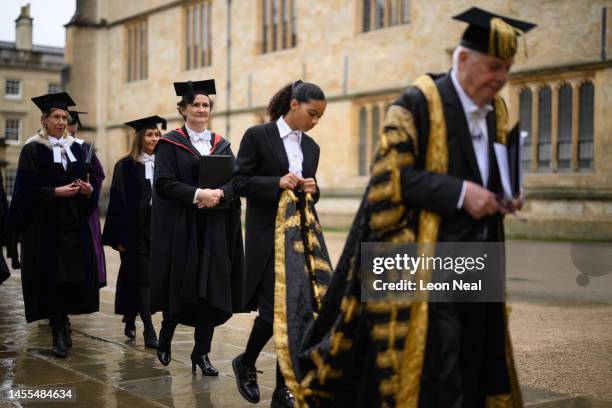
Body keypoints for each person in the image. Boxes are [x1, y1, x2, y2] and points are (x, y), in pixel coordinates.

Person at [274, 7, 535, 408]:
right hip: (424, 260)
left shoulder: (497, 111)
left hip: (478, 257)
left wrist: (505, 194)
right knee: (435, 367)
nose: (502, 79)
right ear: (463, 60)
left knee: (475, 359)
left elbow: (494, 172)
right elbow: (390, 178)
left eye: (508, 69)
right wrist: (462, 193)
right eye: (495, 67)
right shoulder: (417, 103)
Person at [231, 80, 327, 408]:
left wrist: (314, 189)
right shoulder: (258, 136)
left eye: (320, 117)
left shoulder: (311, 147)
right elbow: (239, 182)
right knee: (274, 312)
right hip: (266, 238)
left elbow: (308, 196)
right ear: (294, 105)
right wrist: (276, 182)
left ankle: (283, 389)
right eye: (312, 114)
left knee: (296, 311)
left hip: (299, 239)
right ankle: (246, 361)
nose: (315, 121)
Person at [150, 79, 245, 376]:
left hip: (216, 227)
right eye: (196, 105)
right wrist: (196, 195)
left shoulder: (222, 144)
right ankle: (165, 337)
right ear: (183, 109)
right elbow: (164, 183)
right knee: (182, 288)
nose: (202, 109)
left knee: (212, 292)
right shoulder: (170, 144)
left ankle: (201, 353)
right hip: (184, 228)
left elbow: (236, 180)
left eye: (206, 105)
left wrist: (219, 195)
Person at [6, 92, 99, 359]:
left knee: (73, 279)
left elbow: (88, 181)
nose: (61, 122)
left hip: (74, 225)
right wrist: (54, 192)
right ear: (45, 120)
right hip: (46, 228)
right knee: (53, 281)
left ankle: (65, 322)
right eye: (56, 117)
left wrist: (88, 190)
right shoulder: (33, 149)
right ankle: (58, 331)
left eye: (64, 117)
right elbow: (25, 192)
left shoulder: (77, 148)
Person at [103, 116, 165, 348]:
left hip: (158, 229)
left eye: (157, 134)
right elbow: (117, 202)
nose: (154, 138)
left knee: (142, 278)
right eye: (150, 134)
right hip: (133, 230)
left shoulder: (164, 164)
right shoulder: (125, 166)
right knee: (143, 278)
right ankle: (149, 330)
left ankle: (130, 315)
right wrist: (117, 237)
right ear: (139, 138)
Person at [68, 110, 107, 288]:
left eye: (73, 124)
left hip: (83, 206)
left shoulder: (84, 147)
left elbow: (98, 174)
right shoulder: (42, 147)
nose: (70, 127)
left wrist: (90, 189)